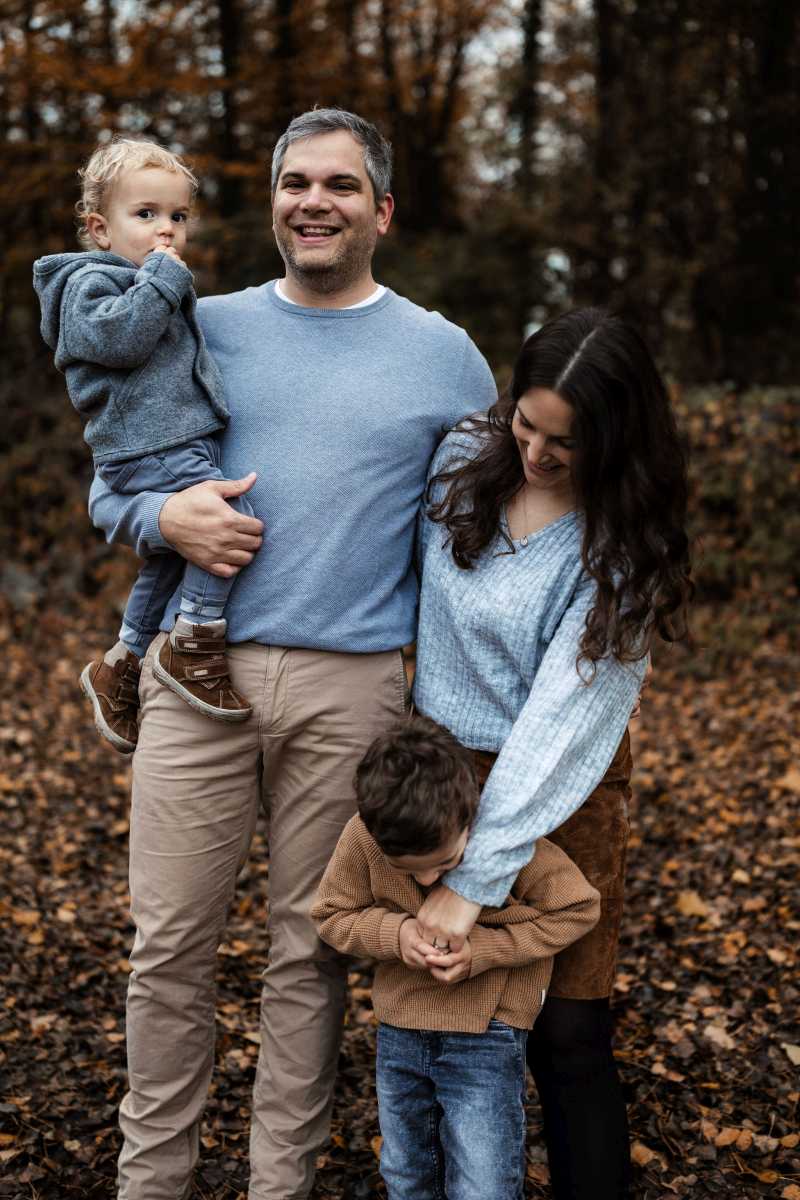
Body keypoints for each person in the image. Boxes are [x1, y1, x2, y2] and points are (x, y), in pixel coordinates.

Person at [86, 109, 497, 1200]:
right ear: (271, 200)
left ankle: (281, 1185)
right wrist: (163, 522)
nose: (314, 202)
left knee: (308, 955)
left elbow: (479, 535)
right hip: (193, 672)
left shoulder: (443, 356)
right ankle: (152, 1182)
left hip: (353, 686)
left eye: (341, 186)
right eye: (294, 182)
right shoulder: (189, 319)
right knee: (167, 951)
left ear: (382, 211)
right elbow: (110, 480)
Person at [411, 308, 693, 1199]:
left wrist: (475, 880)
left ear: (614, 438)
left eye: (563, 442)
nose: (535, 453)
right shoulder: (464, 458)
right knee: (444, 1026)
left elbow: (561, 726)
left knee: (567, 1036)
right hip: (439, 781)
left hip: (566, 787)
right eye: (524, 425)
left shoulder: (625, 544)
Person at [312, 715, 601, 1200]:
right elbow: (332, 914)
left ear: (470, 817)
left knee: (483, 1180)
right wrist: (395, 932)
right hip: (400, 1030)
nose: (429, 884)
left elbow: (577, 907)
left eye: (445, 865)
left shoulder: (505, 843)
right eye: (410, 871)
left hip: (488, 1035)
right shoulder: (363, 837)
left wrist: (486, 950)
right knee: (406, 1172)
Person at [33, 137, 255, 751]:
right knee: (231, 518)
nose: (167, 232)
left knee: (171, 553)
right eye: (147, 215)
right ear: (100, 229)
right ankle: (196, 644)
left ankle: (123, 661)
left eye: (177, 217)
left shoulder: (143, 282)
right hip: (152, 444)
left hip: (166, 440)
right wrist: (161, 280)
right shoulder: (86, 285)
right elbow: (120, 341)